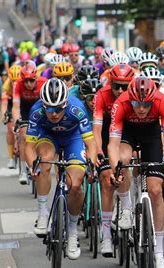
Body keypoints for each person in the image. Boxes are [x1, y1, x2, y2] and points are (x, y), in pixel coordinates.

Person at [108, 77, 164, 267]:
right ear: (130, 99)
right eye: (136, 104)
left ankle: (158, 252)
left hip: (151, 135)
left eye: (145, 104)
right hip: (128, 133)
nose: (141, 109)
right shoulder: (120, 103)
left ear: (152, 100)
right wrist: (116, 170)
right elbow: (113, 145)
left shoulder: (162, 101)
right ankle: (126, 207)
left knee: (156, 190)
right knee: (122, 162)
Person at [25, 78, 97, 260]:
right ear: (43, 105)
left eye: (58, 109)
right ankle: (43, 213)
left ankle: (72, 232)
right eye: (49, 108)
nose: (54, 113)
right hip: (48, 137)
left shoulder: (77, 108)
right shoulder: (36, 111)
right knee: (45, 161)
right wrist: (32, 167)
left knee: (75, 185)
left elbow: (90, 143)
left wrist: (91, 164)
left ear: (66, 104)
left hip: (73, 138)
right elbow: (28, 147)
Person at [93, 63, 135, 257]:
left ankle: (128, 208)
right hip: (107, 131)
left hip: (127, 131)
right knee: (106, 179)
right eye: (116, 85)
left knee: (124, 162)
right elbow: (97, 128)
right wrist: (98, 150)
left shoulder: (135, 95)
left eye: (124, 87)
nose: (120, 90)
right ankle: (107, 235)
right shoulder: (101, 95)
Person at [12, 63, 48, 184]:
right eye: (25, 81)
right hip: (26, 109)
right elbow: (16, 107)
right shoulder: (17, 84)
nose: (28, 84)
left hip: (41, 108)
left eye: (31, 80)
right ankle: (23, 170)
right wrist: (17, 120)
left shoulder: (43, 83)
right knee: (23, 134)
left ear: (36, 78)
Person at [1, 65, 22, 168]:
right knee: (10, 127)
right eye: (12, 81)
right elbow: (4, 104)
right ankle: (11, 158)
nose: (15, 83)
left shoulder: (23, 84)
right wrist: (4, 116)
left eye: (17, 81)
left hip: (21, 101)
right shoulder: (6, 87)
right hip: (10, 102)